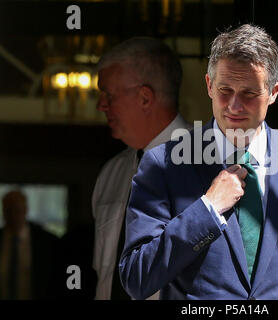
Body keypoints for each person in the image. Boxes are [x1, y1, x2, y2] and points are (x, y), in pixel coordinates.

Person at [119, 24, 278, 300]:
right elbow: (136, 278)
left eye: (249, 94)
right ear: (209, 86)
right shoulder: (162, 164)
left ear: (273, 92)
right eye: (225, 90)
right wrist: (207, 210)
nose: (234, 106)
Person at [92, 37, 192, 300]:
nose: (100, 105)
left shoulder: (213, 169)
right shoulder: (110, 174)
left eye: (109, 95)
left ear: (145, 97)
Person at [0, 190, 58, 299]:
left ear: (26, 210)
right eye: (8, 211)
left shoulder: (47, 242)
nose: (13, 216)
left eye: (17, 210)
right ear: (3, 211)